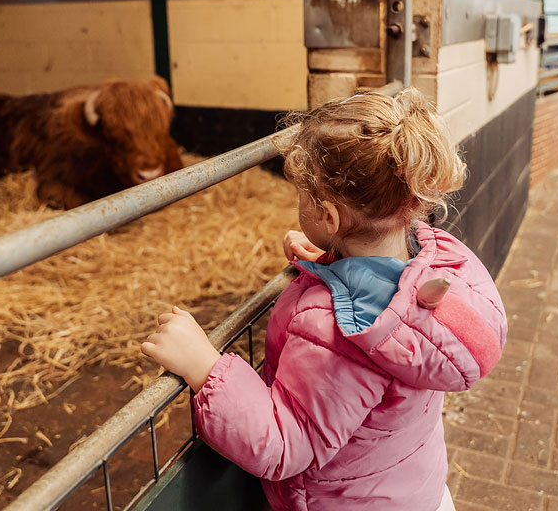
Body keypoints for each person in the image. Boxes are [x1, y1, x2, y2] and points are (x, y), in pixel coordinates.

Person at [141, 88, 507, 510]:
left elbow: (284, 444)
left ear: (329, 217)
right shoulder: (434, 261)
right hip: (412, 492)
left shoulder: (341, 334)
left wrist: (204, 367)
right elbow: (379, 281)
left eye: (301, 196)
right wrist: (332, 263)